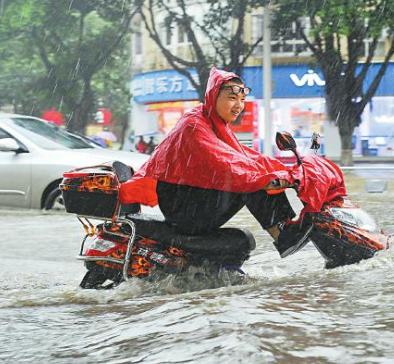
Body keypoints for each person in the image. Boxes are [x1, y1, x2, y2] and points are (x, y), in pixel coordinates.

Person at [121, 67, 313, 257]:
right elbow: (229, 165)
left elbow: (247, 157)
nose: (239, 106)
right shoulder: (194, 125)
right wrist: (272, 178)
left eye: (242, 100)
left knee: (257, 175)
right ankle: (281, 235)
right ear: (213, 96)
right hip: (184, 211)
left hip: (194, 200)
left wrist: (292, 172)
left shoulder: (216, 124)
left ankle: (284, 227)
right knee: (252, 181)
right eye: (232, 98)